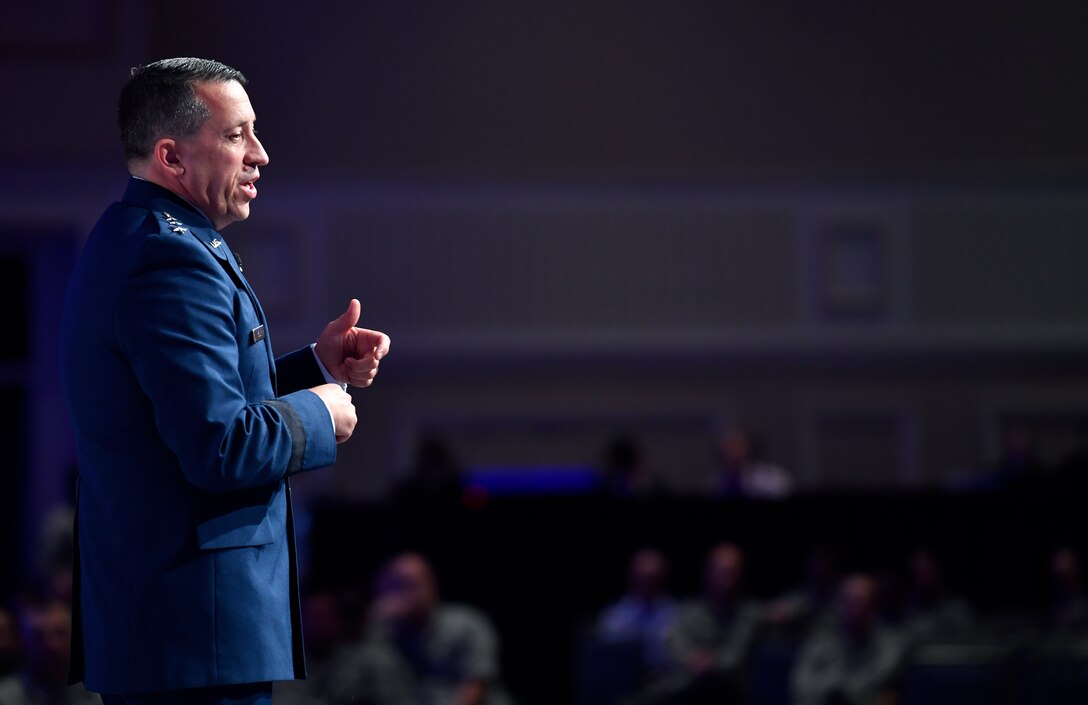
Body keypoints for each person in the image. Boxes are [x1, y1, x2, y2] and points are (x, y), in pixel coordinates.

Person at [59, 58, 390, 705]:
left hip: (176, 634)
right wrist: (320, 415)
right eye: (238, 135)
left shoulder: (135, 237)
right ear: (172, 157)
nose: (261, 155)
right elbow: (219, 445)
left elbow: (189, 405)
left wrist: (316, 368)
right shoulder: (168, 258)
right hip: (192, 639)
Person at [338, 553, 511, 705]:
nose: (409, 594)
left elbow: (476, 686)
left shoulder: (467, 623)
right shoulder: (383, 633)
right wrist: (371, 619)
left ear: (433, 585)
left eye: (414, 583)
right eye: (398, 585)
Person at [659, 543, 763, 704]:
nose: (726, 578)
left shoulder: (750, 613)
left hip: (732, 691)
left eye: (732, 572)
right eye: (721, 571)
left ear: (741, 574)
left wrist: (710, 664)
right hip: (688, 686)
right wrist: (693, 659)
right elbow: (676, 644)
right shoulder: (688, 610)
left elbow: (737, 654)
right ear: (708, 572)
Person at [791, 574, 904, 705]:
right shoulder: (818, 645)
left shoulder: (888, 647)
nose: (855, 610)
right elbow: (802, 689)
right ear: (839, 604)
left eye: (863, 602)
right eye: (849, 601)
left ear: (874, 607)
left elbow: (881, 690)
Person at [0, 598, 101, 705]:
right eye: (39, 637)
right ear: (24, 643)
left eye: (61, 634)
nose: (52, 645)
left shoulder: (99, 693)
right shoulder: (5, 698)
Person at [598, 549, 677, 673]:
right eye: (643, 576)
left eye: (653, 577)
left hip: (664, 678)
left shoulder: (676, 613)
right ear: (632, 576)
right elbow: (608, 654)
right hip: (623, 676)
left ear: (663, 577)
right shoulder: (615, 615)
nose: (648, 582)